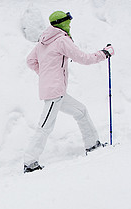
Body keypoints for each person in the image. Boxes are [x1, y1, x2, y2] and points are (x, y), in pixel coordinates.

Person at [23, 11, 114, 173]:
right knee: (45, 126)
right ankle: (30, 162)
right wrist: (104, 54)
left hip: (56, 90)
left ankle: (92, 144)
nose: (70, 24)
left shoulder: (43, 41)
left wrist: (46, 75)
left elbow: (31, 61)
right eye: (67, 21)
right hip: (54, 91)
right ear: (60, 23)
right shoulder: (61, 40)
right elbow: (84, 58)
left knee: (81, 111)